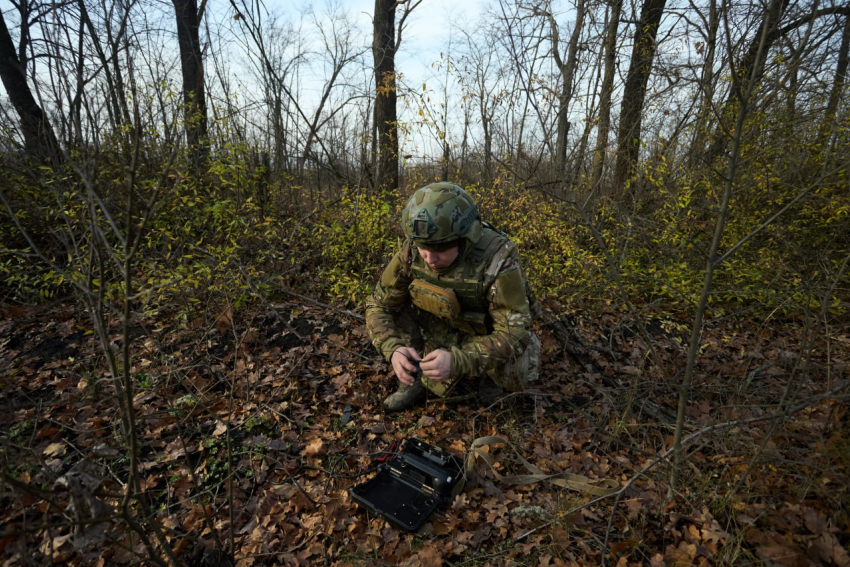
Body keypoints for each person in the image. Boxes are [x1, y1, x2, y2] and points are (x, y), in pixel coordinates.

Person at [365, 182, 541, 412]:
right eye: (423, 248)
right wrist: (393, 348)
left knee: (514, 370)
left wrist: (458, 361)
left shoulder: (497, 258)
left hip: (485, 330)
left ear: (465, 239)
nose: (429, 259)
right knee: (397, 306)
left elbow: (515, 332)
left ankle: (491, 382)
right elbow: (379, 305)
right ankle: (414, 378)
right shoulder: (412, 250)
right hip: (445, 320)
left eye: (439, 249)